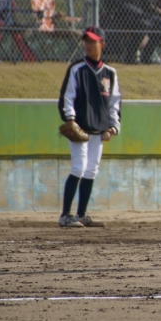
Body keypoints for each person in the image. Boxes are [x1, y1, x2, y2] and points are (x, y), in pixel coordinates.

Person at [57, 26, 121, 227]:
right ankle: (65, 216)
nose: (88, 44)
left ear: (102, 44)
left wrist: (113, 127)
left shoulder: (110, 73)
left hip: (99, 131)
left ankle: (81, 215)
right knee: (79, 167)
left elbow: (114, 104)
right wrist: (70, 119)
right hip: (80, 129)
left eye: (93, 41)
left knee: (91, 170)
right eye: (86, 41)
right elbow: (67, 97)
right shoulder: (77, 69)